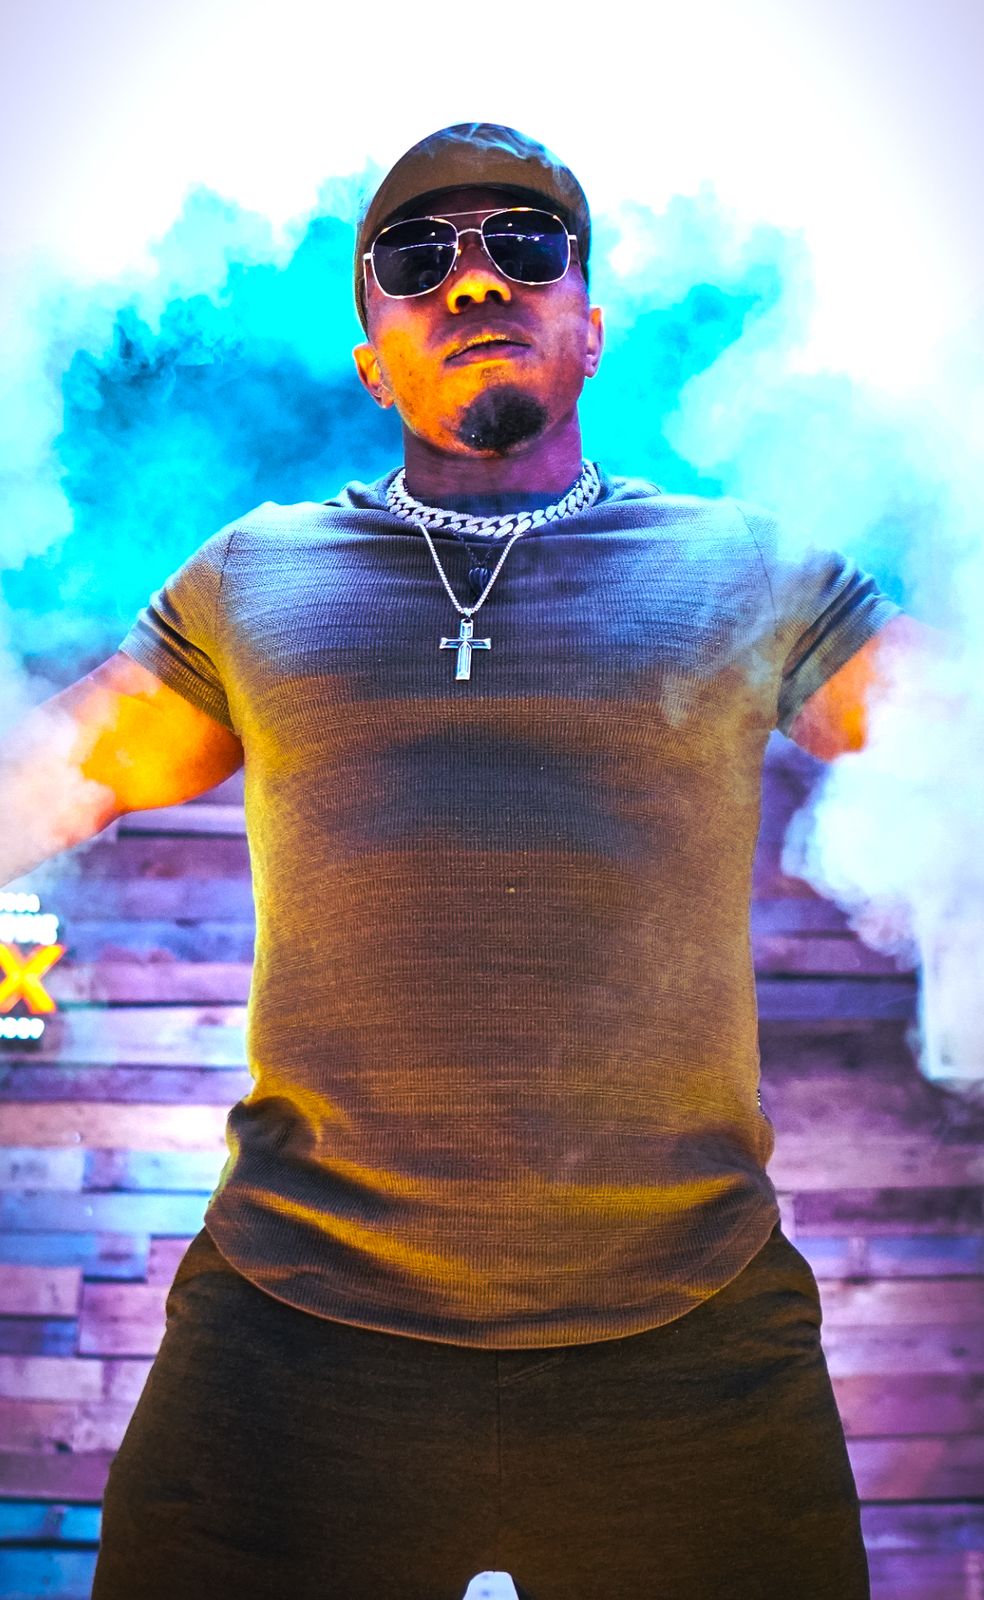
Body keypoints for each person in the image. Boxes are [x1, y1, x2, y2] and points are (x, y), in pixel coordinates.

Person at [0, 122, 939, 1600]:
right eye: (418, 256)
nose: (475, 279)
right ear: (372, 355)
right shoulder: (256, 573)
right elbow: (47, 779)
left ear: (590, 326)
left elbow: (956, 743)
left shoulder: (744, 565)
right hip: (292, 1336)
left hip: (691, 1346)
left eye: (523, 243)